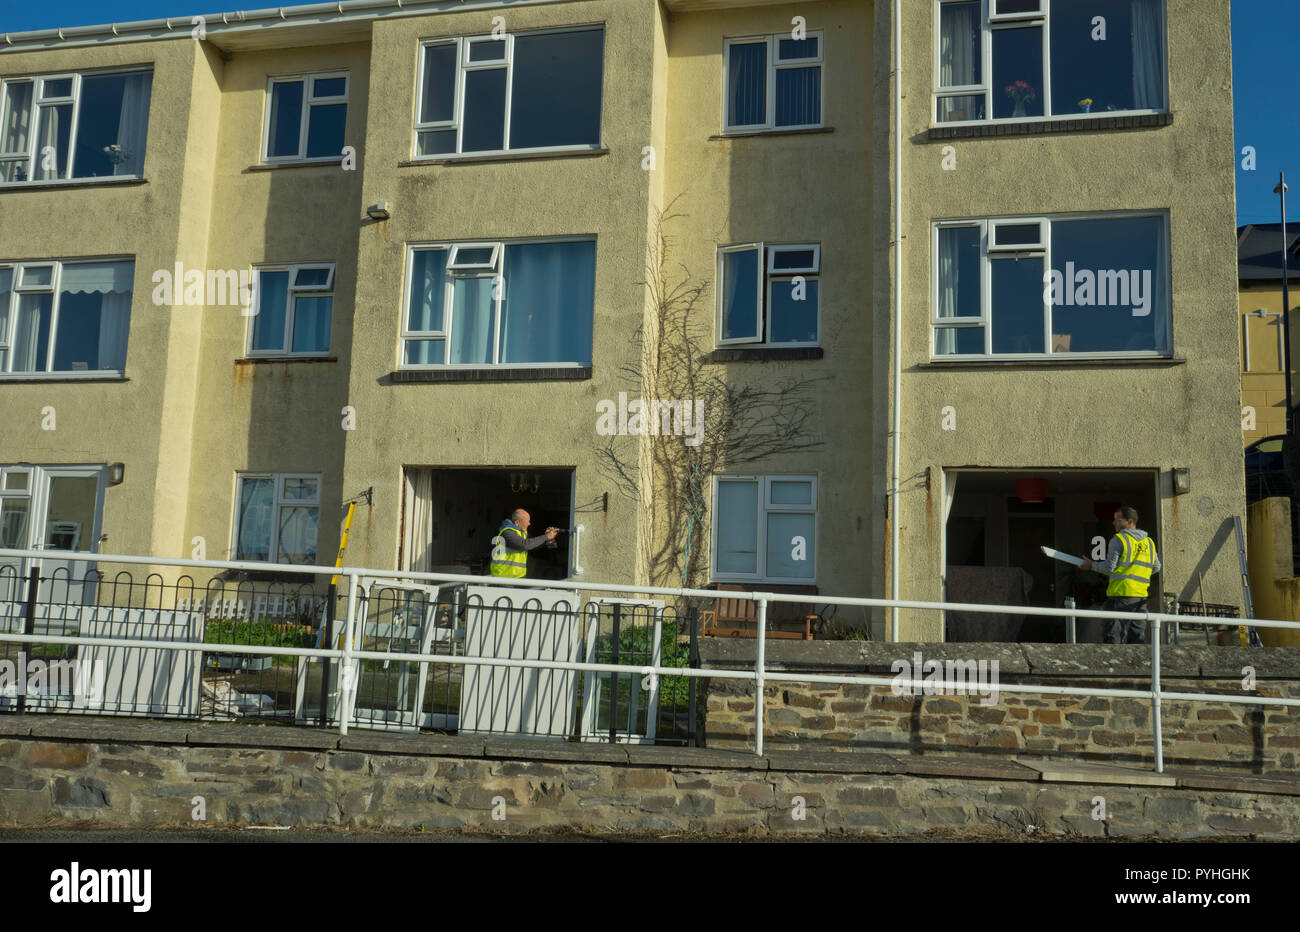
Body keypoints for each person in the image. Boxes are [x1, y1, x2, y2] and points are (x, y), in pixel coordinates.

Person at [1081, 505, 1161, 644]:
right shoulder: (1149, 542)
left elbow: (1109, 568)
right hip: (1140, 597)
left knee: (1113, 635)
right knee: (1137, 637)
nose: (1114, 523)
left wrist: (1091, 565)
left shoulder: (1119, 539)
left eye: (1118, 520)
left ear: (1130, 521)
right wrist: (1138, 576)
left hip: (1121, 595)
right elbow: (1156, 567)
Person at [488, 508, 558, 578]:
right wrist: (545, 537)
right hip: (502, 576)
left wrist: (548, 538)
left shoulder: (522, 533)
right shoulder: (507, 532)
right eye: (527, 521)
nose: (529, 524)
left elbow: (533, 545)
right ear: (517, 523)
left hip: (515, 577)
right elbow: (525, 545)